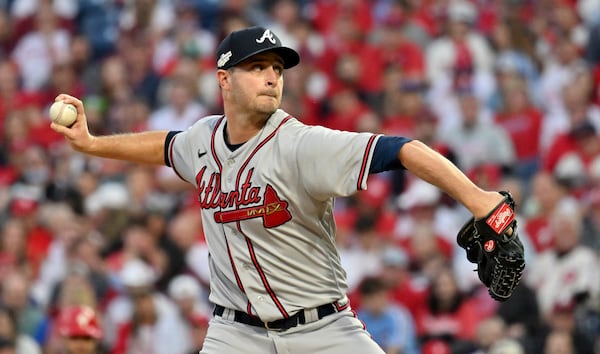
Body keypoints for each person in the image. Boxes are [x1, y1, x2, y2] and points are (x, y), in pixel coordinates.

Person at [51, 26, 512, 354]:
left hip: (322, 328)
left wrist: (478, 199)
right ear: (223, 79)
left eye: (277, 67)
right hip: (235, 334)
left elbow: (403, 149)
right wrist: (93, 144)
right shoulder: (203, 138)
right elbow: (165, 146)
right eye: (257, 67)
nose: (272, 76)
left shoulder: (301, 144)